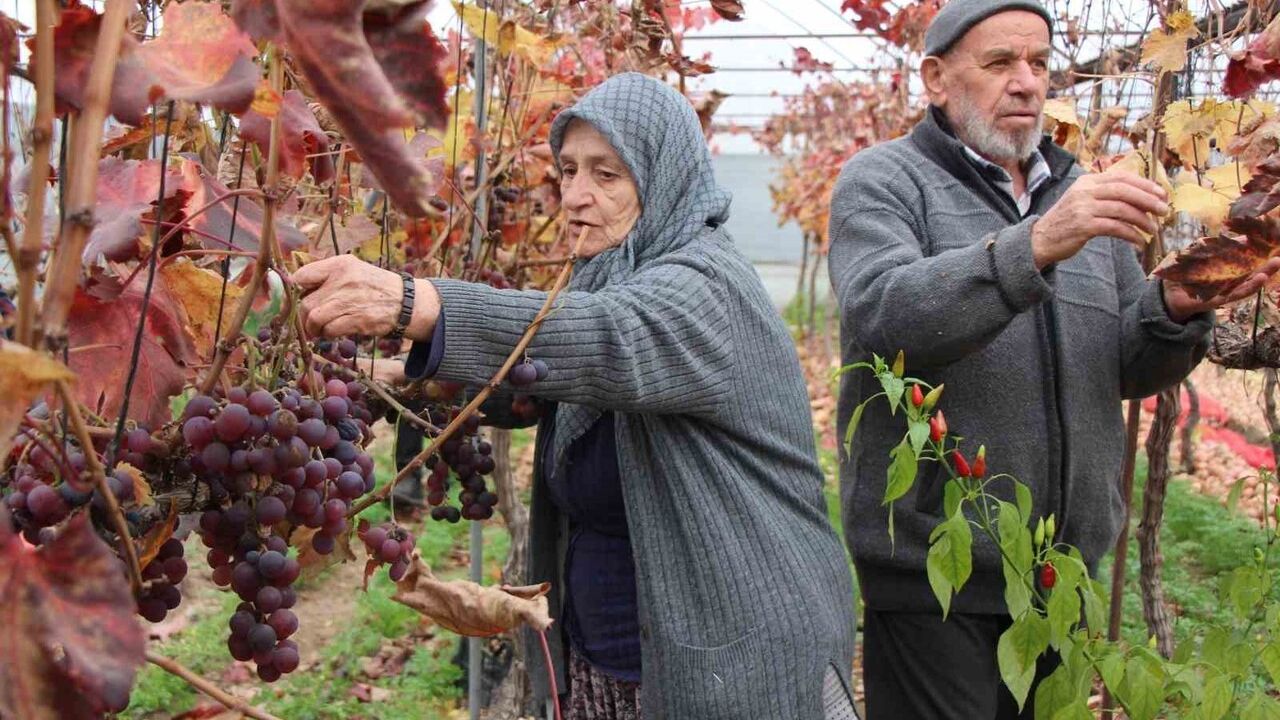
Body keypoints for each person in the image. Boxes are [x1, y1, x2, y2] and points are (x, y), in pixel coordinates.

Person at [295, 72, 859, 720]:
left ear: (664, 176)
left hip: (738, 671)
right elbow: (557, 386)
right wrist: (410, 379)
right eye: (567, 170)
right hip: (619, 661)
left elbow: (604, 339)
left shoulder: (706, 286)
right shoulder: (614, 271)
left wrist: (415, 304)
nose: (576, 196)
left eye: (607, 174)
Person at [826, 0, 1280, 717]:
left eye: (1038, 62)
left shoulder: (1081, 191)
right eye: (1000, 62)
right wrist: (1034, 244)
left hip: (1061, 573)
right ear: (937, 78)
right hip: (933, 578)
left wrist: (1176, 309)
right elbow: (884, 316)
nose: (1027, 82)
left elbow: (1127, 365)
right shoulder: (885, 182)